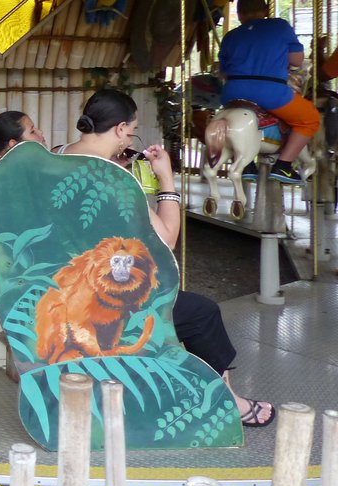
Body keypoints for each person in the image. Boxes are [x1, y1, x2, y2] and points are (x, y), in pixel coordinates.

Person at [56, 88, 276, 427]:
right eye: (130, 132)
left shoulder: (57, 156)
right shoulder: (115, 180)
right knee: (202, 313)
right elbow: (166, 240)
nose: (128, 139)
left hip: (60, 288)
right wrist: (165, 179)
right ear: (118, 130)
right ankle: (228, 401)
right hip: (101, 304)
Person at [218, 0, 320, 183]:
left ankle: (247, 164)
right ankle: (284, 166)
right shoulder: (279, 26)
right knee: (310, 118)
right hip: (270, 93)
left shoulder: (231, 36)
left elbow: (223, 71)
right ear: (265, 11)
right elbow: (297, 61)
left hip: (232, 94)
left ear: (239, 14)